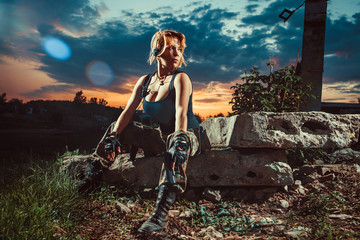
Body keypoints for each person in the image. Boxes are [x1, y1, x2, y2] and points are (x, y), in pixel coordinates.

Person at [102, 30, 200, 234]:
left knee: (177, 144)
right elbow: (127, 112)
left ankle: (160, 215)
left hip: (188, 134)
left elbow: (181, 115)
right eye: (171, 48)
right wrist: (114, 137)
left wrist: (178, 143)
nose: (177, 54)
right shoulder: (145, 82)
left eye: (179, 49)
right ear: (157, 51)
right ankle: (92, 176)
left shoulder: (181, 78)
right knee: (115, 129)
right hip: (163, 137)